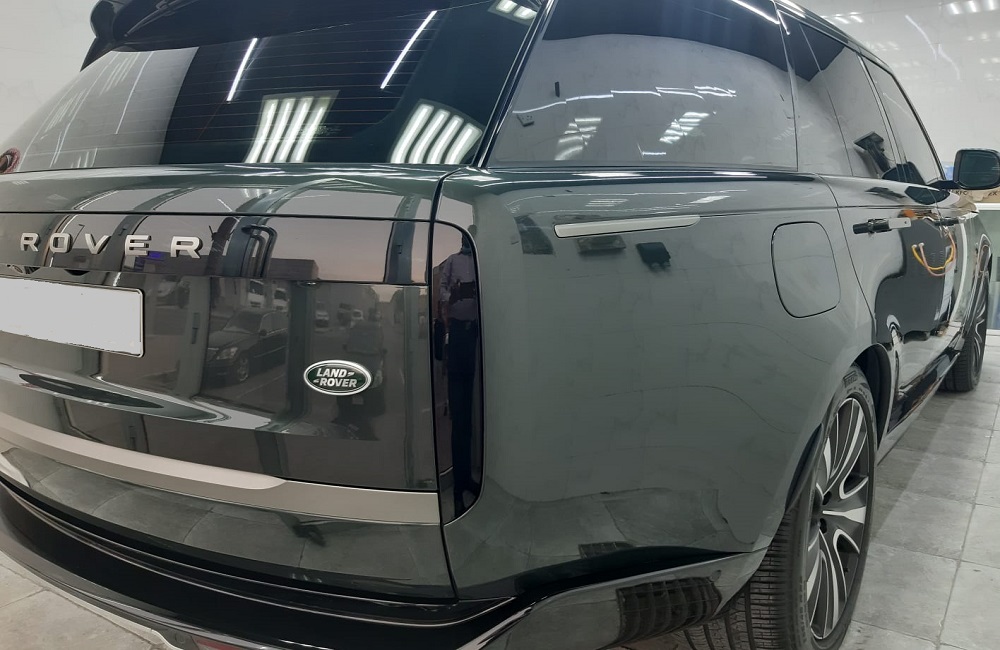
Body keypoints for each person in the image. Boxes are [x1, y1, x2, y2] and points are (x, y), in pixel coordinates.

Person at [438, 228, 480, 513]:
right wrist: (453, 295)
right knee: (459, 412)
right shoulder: (452, 261)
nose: (466, 242)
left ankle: (468, 478)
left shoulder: (482, 263)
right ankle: (458, 486)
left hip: (479, 335)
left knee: (474, 412)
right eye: (464, 238)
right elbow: (442, 293)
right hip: (458, 338)